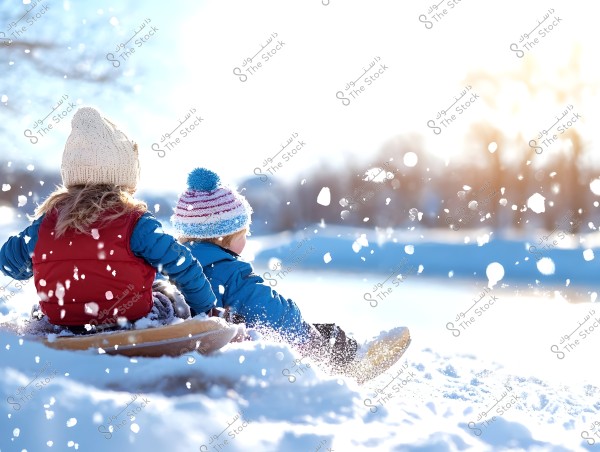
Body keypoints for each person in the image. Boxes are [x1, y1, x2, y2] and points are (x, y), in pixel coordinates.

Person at [0, 107, 216, 334]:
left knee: (38, 309)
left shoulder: (47, 223)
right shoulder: (134, 221)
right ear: (125, 176)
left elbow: (8, 262)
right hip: (131, 321)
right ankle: (183, 327)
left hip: (65, 324)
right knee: (166, 293)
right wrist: (205, 309)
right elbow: (182, 264)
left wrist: (42, 259)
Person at [170, 167, 366, 370]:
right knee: (328, 334)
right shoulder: (230, 273)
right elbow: (271, 311)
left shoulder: (168, 265)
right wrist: (307, 334)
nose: (245, 240)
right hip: (234, 353)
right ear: (226, 239)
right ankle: (351, 364)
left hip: (194, 341)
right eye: (243, 234)